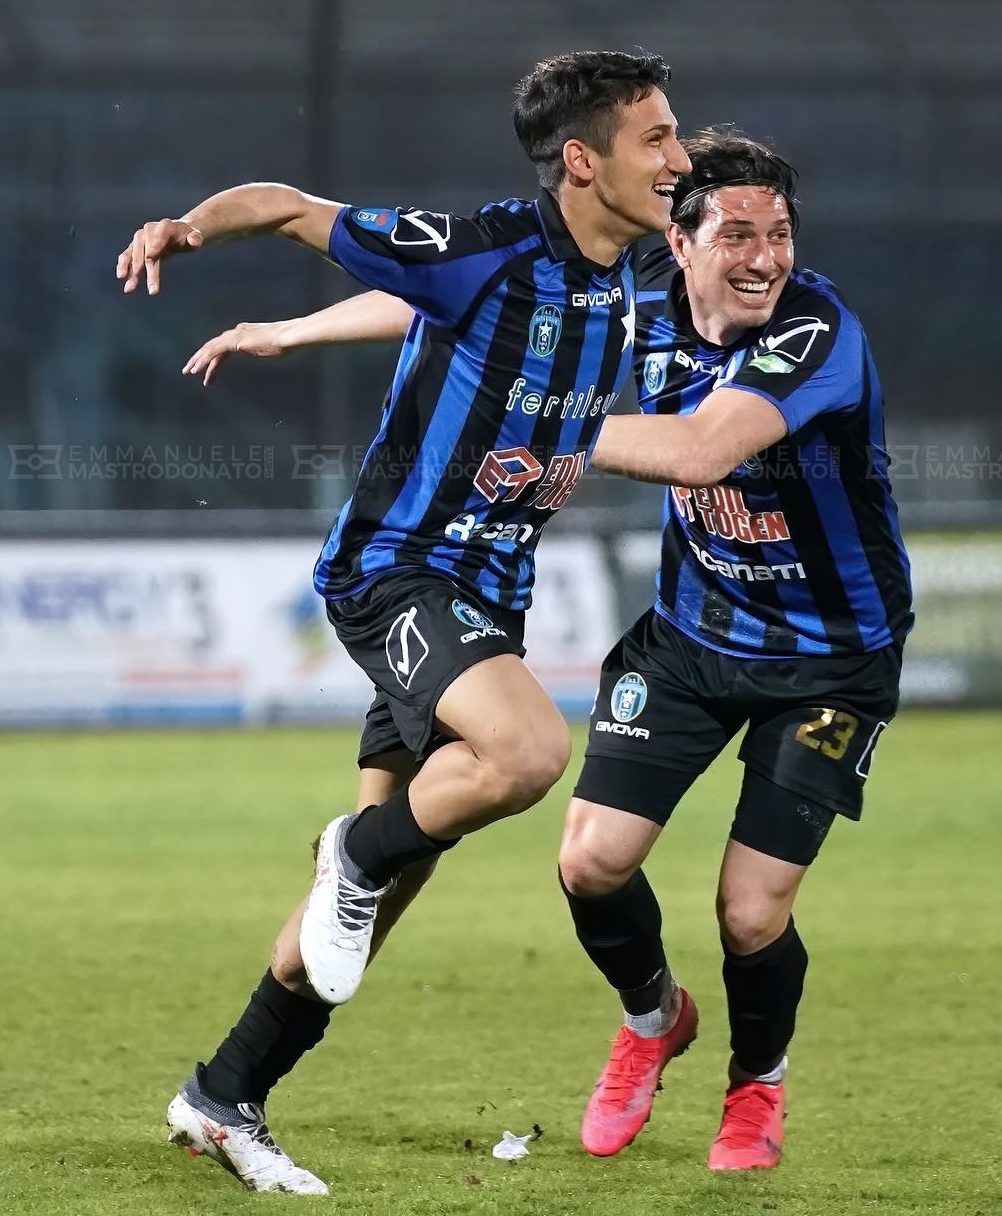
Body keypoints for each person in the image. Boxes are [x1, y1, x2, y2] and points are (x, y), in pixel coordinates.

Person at [184, 128, 913, 1172]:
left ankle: (755, 1085)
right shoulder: (636, 294)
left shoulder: (815, 330)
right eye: (738, 235)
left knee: (750, 912)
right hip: (689, 637)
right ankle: (653, 1018)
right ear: (680, 241)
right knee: (587, 862)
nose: (765, 258)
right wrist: (296, 332)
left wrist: (535, 422)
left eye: (780, 234)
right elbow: (459, 307)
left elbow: (700, 448)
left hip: (830, 659)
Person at [115, 50, 690, 1194]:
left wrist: (293, 333)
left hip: (490, 594)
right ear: (583, 162)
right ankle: (354, 849)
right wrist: (189, 228)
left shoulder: (627, 270)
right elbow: (289, 206)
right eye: (657, 138)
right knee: (524, 753)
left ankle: (223, 1096)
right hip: (397, 571)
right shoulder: (483, 245)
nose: (677, 158)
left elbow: (430, 309)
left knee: (373, 906)